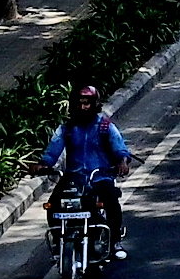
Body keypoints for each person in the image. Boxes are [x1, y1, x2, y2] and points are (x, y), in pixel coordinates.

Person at [40, 82, 132, 249]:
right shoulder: (66, 129)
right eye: (78, 103)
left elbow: (120, 148)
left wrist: (122, 162)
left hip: (100, 177)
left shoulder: (106, 127)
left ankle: (114, 241)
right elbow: (52, 150)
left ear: (94, 104)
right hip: (73, 178)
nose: (82, 107)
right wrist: (42, 164)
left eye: (86, 103)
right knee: (52, 205)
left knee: (111, 202)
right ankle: (59, 241)